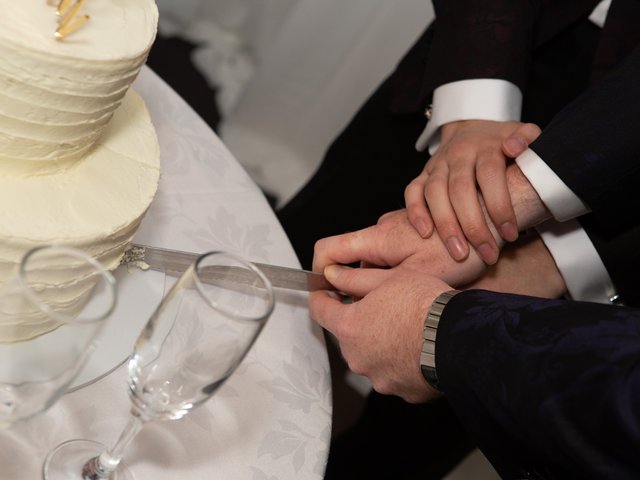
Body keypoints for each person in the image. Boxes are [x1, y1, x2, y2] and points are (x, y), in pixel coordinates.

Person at [277, 0, 640, 477]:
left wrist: (562, 258)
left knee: (398, 446)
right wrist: (472, 113)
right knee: (283, 277)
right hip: (503, 50)